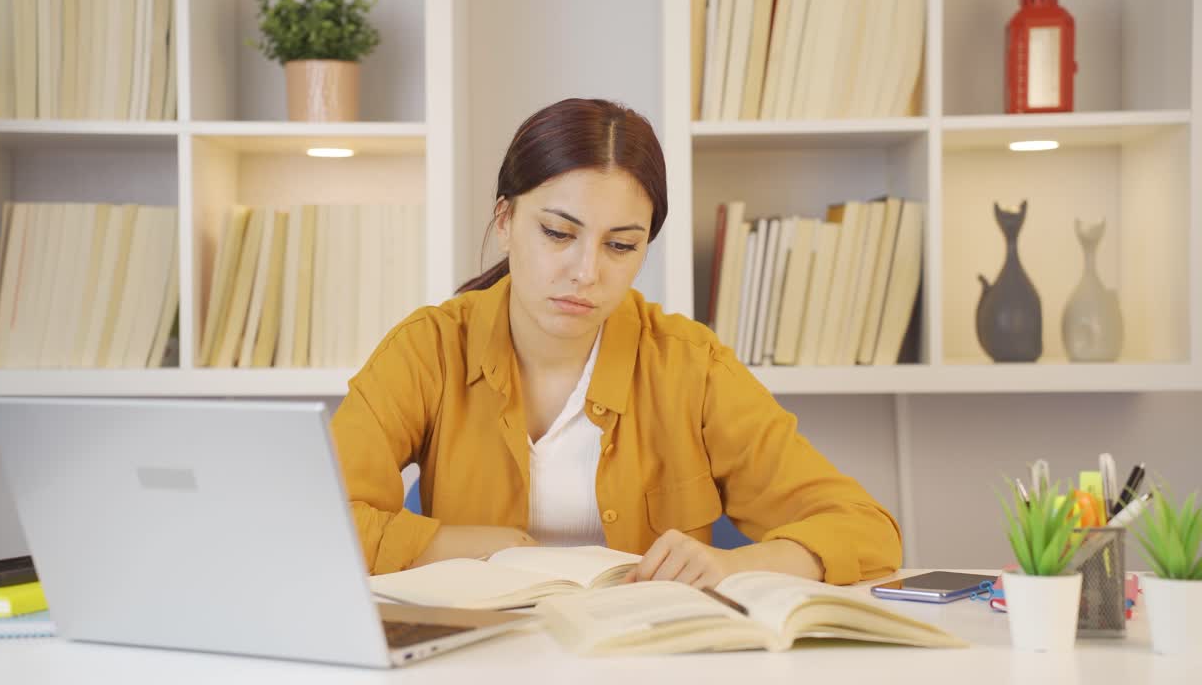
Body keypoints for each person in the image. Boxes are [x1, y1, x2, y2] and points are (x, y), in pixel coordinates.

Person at [330, 97, 901, 587]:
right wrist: (493, 551)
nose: (586, 272)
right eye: (558, 233)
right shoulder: (427, 348)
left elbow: (862, 525)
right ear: (505, 219)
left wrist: (736, 565)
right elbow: (318, 521)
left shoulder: (691, 366)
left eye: (620, 246)